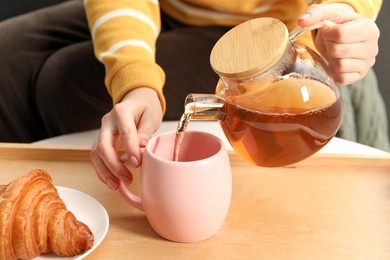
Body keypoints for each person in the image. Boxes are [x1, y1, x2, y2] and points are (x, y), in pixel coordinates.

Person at [0, 0, 387, 190]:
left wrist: (346, 16)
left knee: (66, 85)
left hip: (267, 37)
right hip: (167, 7)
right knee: (7, 54)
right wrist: (135, 77)